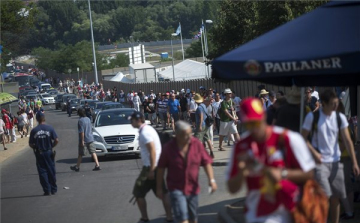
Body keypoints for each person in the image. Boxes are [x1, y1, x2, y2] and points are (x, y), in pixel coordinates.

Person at [227, 98, 316, 223]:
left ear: (264, 117)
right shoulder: (241, 146)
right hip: (256, 215)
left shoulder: (288, 138)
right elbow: (232, 188)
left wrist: (283, 174)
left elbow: (309, 173)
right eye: (249, 124)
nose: (253, 129)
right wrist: (242, 171)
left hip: (290, 211)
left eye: (256, 123)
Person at [301, 89, 360, 223]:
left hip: (336, 163)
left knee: (336, 197)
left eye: (336, 104)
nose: (335, 106)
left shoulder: (340, 118)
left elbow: (348, 140)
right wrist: (315, 153)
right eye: (332, 104)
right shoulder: (313, 117)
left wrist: (355, 162)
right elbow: (303, 138)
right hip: (320, 163)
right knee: (324, 196)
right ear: (324, 103)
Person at [156, 121, 217, 223]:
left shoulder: (196, 144)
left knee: (193, 218)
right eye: (185, 135)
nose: (189, 137)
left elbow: (206, 162)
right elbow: (161, 168)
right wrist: (159, 188)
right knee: (182, 218)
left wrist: (211, 180)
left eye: (190, 133)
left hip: (193, 189)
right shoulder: (169, 148)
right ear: (177, 134)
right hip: (176, 189)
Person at [129, 112, 173, 223]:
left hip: (150, 167)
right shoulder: (148, 129)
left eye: (132, 120)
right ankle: (169, 217)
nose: (131, 122)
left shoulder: (145, 133)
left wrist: (152, 170)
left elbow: (152, 151)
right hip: (156, 166)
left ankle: (144, 218)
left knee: (138, 192)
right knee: (163, 192)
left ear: (138, 120)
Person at [29, 111, 59, 196]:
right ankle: (53, 189)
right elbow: (56, 140)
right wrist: (51, 146)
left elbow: (31, 144)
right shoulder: (50, 128)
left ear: (37, 119)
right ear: (44, 118)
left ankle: (47, 190)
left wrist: (35, 147)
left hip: (40, 153)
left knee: (43, 172)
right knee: (51, 170)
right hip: (49, 152)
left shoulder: (34, 130)